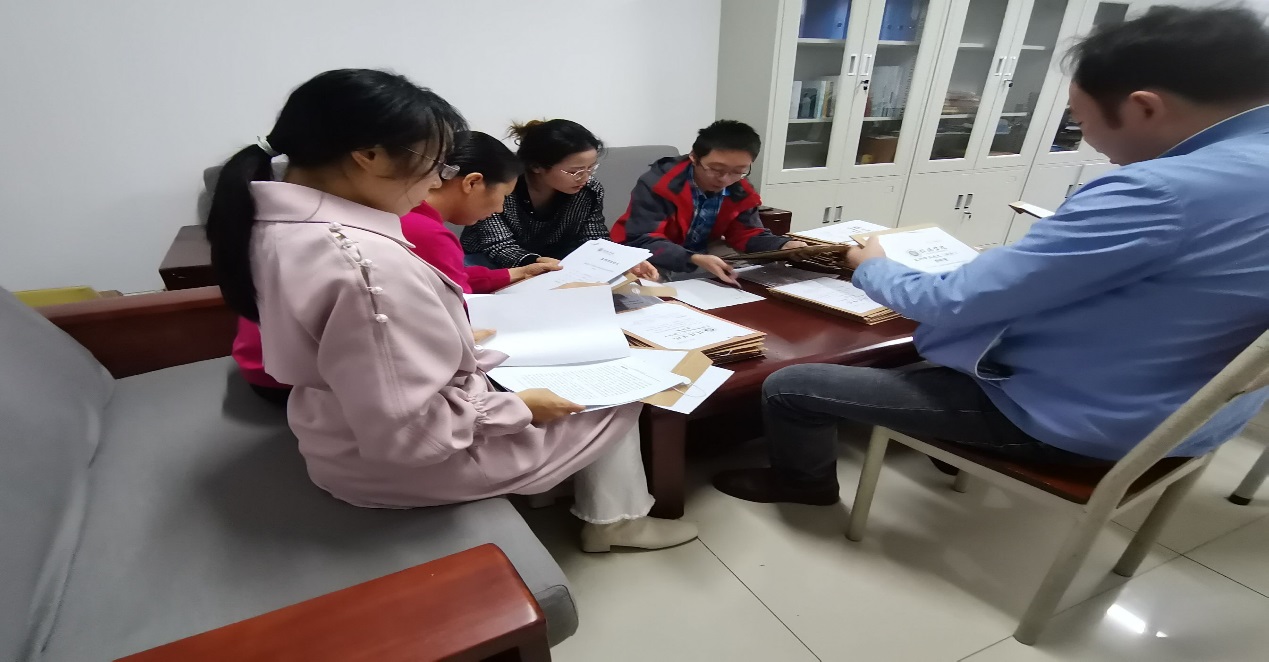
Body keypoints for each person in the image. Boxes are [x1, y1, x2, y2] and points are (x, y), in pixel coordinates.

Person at [712, 6, 1269, 505]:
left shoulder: (1157, 192)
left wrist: (870, 264)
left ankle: (803, 485)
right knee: (927, 352)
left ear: (1145, 107)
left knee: (792, 384)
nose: (1087, 139)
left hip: (1090, 424)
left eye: (1080, 122)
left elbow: (953, 302)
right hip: (1199, 415)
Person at [205, 69, 696, 551]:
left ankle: (552, 491)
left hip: (332, 431)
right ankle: (615, 523)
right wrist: (521, 408)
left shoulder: (272, 224)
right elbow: (412, 434)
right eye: (436, 166)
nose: (436, 183)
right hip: (396, 465)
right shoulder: (368, 266)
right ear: (369, 156)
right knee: (626, 394)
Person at [227, 131, 558, 401]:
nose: (499, 209)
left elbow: (436, 282)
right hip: (300, 384)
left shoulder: (314, 219)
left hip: (268, 363)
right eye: (503, 197)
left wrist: (511, 274)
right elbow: (454, 322)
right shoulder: (419, 230)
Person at [609, 120, 807, 284]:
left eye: (738, 171)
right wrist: (693, 258)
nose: (725, 179)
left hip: (702, 250)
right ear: (694, 157)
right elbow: (642, 239)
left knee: (760, 273)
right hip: (652, 251)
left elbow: (746, 233)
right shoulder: (660, 183)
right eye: (716, 169)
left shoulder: (739, 190)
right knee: (647, 283)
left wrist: (782, 245)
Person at [460, 119, 657, 280]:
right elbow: (499, 246)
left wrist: (622, 261)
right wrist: (536, 264)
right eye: (575, 171)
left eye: (591, 168)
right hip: (488, 262)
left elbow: (594, 238)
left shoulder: (588, 190)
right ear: (536, 166)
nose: (585, 177)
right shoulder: (503, 189)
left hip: (554, 262)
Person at [402, 130, 558, 294]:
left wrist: (522, 272)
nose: (500, 209)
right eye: (504, 196)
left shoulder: (409, 217)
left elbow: (454, 276)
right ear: (472, 182)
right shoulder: (429, 234)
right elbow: (455, 300)